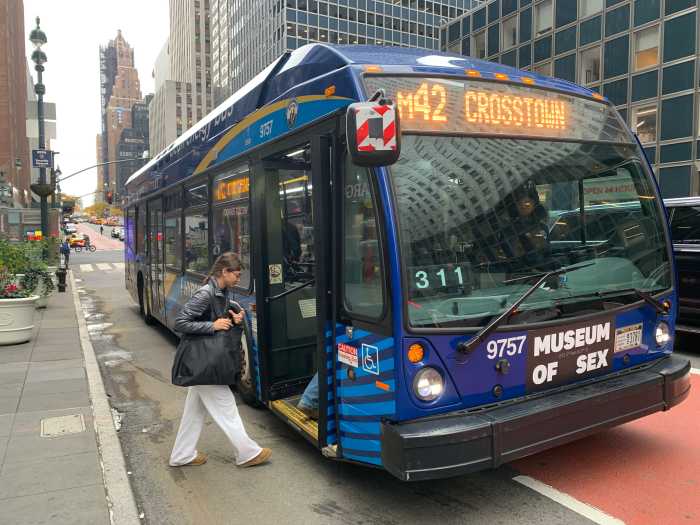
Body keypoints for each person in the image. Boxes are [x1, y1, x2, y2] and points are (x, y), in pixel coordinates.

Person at [169, 252, 272, 468]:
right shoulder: (205, 294)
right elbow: (180, 322)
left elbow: (217, 312)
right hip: (204, 362)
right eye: (236, 274)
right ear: (224, 271)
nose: (238, 278)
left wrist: (232, 315)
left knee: (194, 412)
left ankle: (182, 454)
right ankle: (247, 452)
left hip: (203, 363)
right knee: (226, 406)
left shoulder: (221, 291)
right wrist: (212, 326)